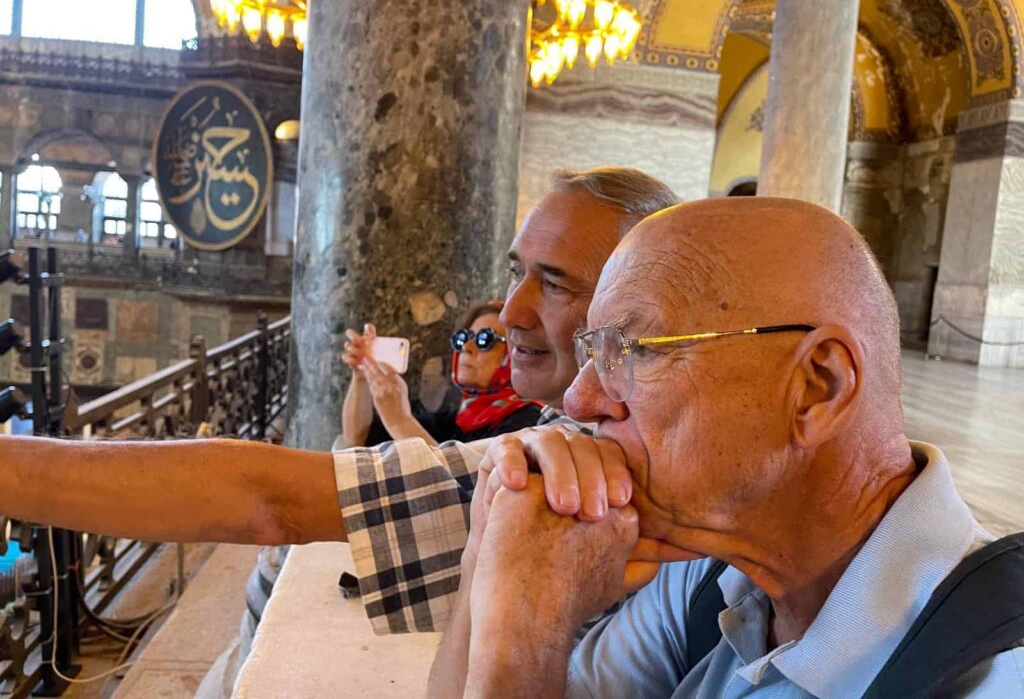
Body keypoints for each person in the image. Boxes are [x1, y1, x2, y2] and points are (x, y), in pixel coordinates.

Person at [0, 166, 675, 634]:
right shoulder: (570, 424)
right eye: (515, 272)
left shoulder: (597, 463)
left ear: (640, 315)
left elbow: (269, 500)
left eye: (555, 284)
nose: (511, 310)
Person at [430, 197, 1024, 698]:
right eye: (594, 352)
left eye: (635, 348)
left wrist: (524, 636)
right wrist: (488, 548)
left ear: (819, 386)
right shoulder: (712, 583)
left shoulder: (992, 671)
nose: (582, 401)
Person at [339, 301, 543, 448]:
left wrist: (400, 421)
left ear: (516, 353)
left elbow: (463, 492)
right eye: (464, 338)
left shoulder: (527, 422)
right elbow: (355, 438)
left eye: (484, 339)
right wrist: (361, 377)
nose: (467, 347)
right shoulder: (462, 417)